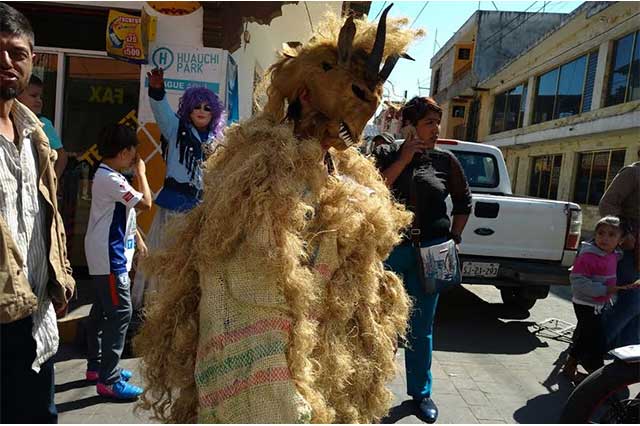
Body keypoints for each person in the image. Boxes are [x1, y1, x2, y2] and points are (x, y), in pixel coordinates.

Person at [133, 7, 422, 423]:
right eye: (353, 101)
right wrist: (284, 398)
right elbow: (244, 286)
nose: (351, 129)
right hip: (270, 386)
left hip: (318, 369)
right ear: (304, 95)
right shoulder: (261, 171)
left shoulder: (339, 170)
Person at [374, 96, 472, 423]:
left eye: (436, 123)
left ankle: (420, 394)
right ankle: (371, 391)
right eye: (429, 123)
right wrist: (402, 160)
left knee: (421, 328)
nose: (435, 129)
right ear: (409, 126)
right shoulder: (386, 154)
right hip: (392, 251)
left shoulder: (445, 162)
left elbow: (463, 202)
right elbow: (372, 193)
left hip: (432, 253)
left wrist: (454, 239)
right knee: (379, 324)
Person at [0, 3, 75, 422]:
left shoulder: (36, 136)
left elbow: (45, 216)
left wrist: (60, 273)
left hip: (34, 319)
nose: (7, 62)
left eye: (17, 52)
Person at [131, 72, 225, 310]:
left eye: (207, 107)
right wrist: (157, 91)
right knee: (164, 257)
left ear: (214, 112)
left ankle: (183, 308)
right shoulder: (176, 129)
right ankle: (153, 307)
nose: (201, 111)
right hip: (173, 208)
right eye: (196, 106)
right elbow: (161, 112)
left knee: (191, 263)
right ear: (188, 109)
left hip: (200, 211)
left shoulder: (219, 141)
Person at [84, 123, 151, 399]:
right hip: (110, 258)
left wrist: (138, 240)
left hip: (106, 254)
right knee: (121, 312)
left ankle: (97, 367)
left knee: (102, 310)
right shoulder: (112, 179)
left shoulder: (106, 175)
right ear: (124, 153)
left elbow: (123, 214)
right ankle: (108, 380)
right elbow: (145, 203)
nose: (135, 160)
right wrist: (143, 174)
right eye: (134, 155)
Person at [561, 216, 637, 382]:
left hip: (599, 303)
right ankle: (596, 375)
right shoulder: (589, 257)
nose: (605, 238)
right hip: (585, 303)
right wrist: (604, 289)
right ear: (594, 235)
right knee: (596, 339)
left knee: (584, 336)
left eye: (611, 235)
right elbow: (577, 280)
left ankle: (571, 365)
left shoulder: (615, 254)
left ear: (620, 240)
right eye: (601, 233)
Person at [599, 153, 640, 349]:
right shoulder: (633, 173)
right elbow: (607, 204)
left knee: (637, 308)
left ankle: (626, 360)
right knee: (631, 302)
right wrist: (625, 234)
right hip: (630, 249)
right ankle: (592, 349)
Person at [16, 75, 68, 179]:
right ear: (17, 96)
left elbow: (61, 156)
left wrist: (52, 183)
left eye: (40, 97)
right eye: (33, 96)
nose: (39, 100)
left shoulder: (43, 123)